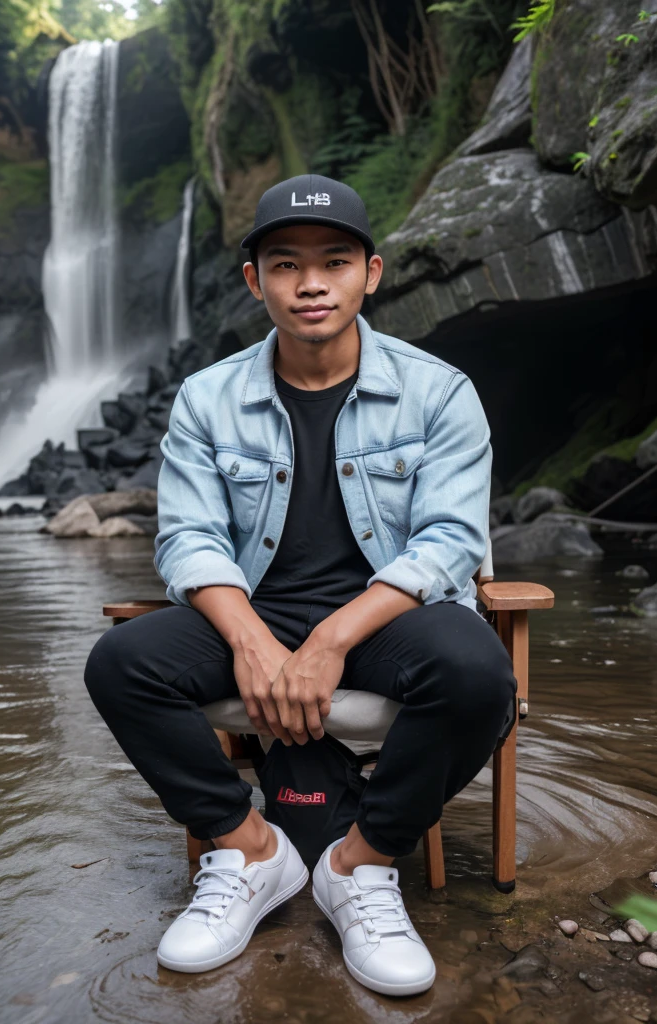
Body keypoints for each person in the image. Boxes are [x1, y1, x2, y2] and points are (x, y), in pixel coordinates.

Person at [84, 173, 517, 998]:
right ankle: (249, 848)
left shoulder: (439, 392)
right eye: (284, 264)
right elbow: (188, 538)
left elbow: (450, 541)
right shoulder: (208, 399)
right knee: (120, 663)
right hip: (257, 604)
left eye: (333, 262)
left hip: (388, 617)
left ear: (372, 274)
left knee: (476, 671)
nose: (310, 283)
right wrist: (251, 639)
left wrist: (329, 640)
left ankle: (361, 865)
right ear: (255, 282)